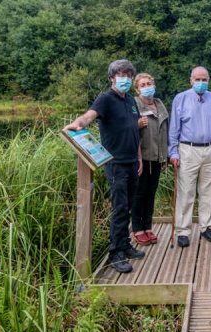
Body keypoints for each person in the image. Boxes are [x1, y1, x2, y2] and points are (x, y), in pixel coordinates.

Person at [63, 59, 145, 273]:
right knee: (119, 207)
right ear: (112, 78)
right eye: (121, 75)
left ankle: (125, 245)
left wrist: (139, 159)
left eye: (128, 75)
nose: (125, 79)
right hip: (115, 163)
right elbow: (89, 115)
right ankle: (115, 253)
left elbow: (134, 131)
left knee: (128, 205)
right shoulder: (105, 99)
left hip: (132, 161)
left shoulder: (130, 100)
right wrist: (78, 124)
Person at [169, 66, 211, 248]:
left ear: (208, 80)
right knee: (186, 192)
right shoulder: (181, 98)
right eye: (198, 79)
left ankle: (206, 227)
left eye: (205, 79)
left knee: (209, 191)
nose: (201, 83)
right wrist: (174, 151)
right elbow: (174, 129)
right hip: (188, 149)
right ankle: (183, 230)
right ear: (191, 80)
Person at [131, 73, 169, 246]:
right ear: (137, 89)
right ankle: (137, 229)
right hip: (142, 157)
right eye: (143, 85)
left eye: (149, 83)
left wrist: (166, 156)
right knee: (139, 194)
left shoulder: (159, 104)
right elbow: (126, 126)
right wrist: (136, 124)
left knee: (151, 194)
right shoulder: (134, 104)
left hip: (157, 157)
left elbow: (166, 130)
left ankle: (148, 226)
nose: (147, 87)